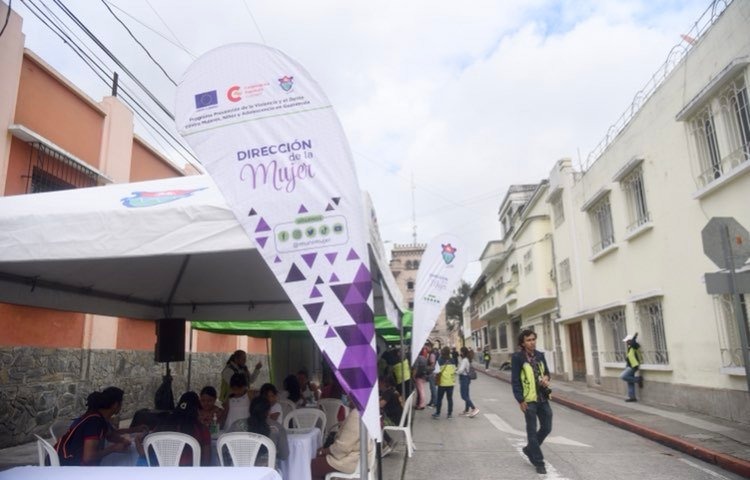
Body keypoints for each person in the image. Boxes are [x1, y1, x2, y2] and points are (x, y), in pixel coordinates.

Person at [511, 329, 552, 475]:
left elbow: (547, 372)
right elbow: (515, 380)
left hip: (543, 397)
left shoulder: (540, 355)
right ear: (522, 342)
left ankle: (529, 449)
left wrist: (546, 378)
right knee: (532, 431)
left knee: (547, 427)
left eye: (533, 339)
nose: (532, 342)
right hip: (529, 400)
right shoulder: (517, 358)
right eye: (528, 340)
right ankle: (538, 461)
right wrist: (520, 399)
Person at [56, 387, 131, 466]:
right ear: (116, 405)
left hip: (69, 459)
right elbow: (88, 457)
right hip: (67, 465)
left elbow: (110, 435)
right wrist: (113, 448)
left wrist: (123, 440)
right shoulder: (94, 422)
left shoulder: (99, 417)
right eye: (121, 403)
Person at [140, 391, 211, 466]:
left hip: (164, 475)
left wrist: (137, 440)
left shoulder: (163, 424)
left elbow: (143, 453)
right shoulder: (202, 429)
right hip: (190, 475)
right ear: (196, 409)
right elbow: (207, 461)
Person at [310, 398, 372, 480]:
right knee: (319, 461)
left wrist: (323, 451)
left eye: (350, 396)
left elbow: (342, 447)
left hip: (352, 460)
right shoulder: (366, 411)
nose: (348, 398)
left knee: (313, 466)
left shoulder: (356, 414)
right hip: (360, 457)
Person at [245, 396, 289, 466]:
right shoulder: (277, 428)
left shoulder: (236, 425)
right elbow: (284, 455)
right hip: (266, 471)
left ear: (250, 410)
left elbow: (224, 449)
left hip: (239, 470)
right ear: (268, 411)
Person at [431, 346, 456, 419]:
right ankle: (449, 414)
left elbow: (436, 371)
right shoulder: (452, 360)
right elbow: (454, 370)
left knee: (439, 399)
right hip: (451, 383)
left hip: (442, 383)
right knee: (450, 399)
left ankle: (438, 413)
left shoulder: (440, 360)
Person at [620, 333, 644, 402]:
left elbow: (634, 343)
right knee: (629, 382)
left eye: (627, 341)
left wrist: (634, 337)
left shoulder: (634, 346)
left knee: (623, 376)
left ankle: (638, 379)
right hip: (629, 365)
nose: (626, 342)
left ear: (630, 340)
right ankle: (632, 397)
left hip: (633, 365)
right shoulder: (630, 347)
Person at [457, 346, 479, 417]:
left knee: (463, 396)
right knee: (466, 395)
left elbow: (461, 370)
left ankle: (474, 408)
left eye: (460, 351)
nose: (460, 353)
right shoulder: (467, 359)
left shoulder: (464, 360)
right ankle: (466, 410)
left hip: (464, 378)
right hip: (467, 378)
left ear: (463, 352)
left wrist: (455, 372)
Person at [412, 346, 429, 410]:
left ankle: (421, 405)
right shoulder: (424, 358)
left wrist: (413, 376)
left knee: (421, 391)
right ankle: (420, 403)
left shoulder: (417, 358)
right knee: (421, 390)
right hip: (423, 375)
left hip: (418, 376)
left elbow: (415, 368)